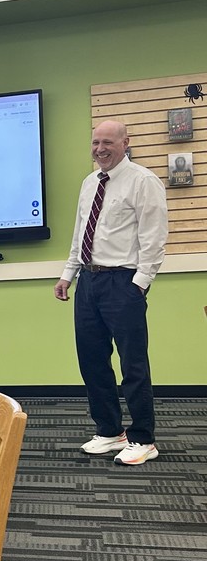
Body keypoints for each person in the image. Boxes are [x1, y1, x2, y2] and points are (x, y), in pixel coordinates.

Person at [54, 120, 168, 465]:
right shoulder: (90, 182)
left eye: (108, 142)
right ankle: (109, 431)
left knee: (133, 363)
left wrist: (140, 283)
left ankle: (143, 439)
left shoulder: (143, 181)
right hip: (89, 281)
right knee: (92, 360)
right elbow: (80, 234)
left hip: (124, 282)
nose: (100, 149)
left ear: (125, 143)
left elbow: (154, 236)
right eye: (95, 143)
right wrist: (68, 275)